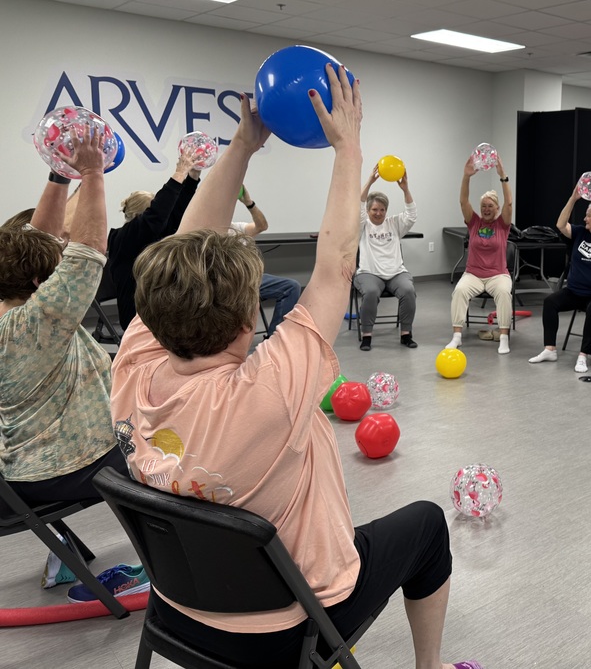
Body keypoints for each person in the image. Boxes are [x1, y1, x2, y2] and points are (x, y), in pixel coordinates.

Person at [111, 70, 479, 669]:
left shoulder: (133, 362)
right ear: (244, 322)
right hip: (288, 627)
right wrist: (349, 147)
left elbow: (184, 242)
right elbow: (336, 269)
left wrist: (243, 146)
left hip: (178, 610)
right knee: (429, 526)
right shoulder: (269, 392)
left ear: (150, 308)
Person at [0, 133, 130, 582]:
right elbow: (88, 254)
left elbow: (35, 240)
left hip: (21, 471)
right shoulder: (35, 323)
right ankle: (184, 564)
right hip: (65, 468)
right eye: (50, 270)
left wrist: (60, 172)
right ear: (40, 281)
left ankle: (64, 553)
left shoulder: (13, 308)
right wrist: (91, 174)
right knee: (172, 444)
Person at [528, 185, 591, 375]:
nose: (584, 219)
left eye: (588, 215)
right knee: (550, 302)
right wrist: (573, 199)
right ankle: (550, 349)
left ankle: (583, 354)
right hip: (577, 291)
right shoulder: (580, 233)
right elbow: (560, 224)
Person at [107, 147, 201, 329]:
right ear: (138, 215)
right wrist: (179, 173)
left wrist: (192, 177)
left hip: (161, 314)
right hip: (138, 321)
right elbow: (157, 216)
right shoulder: (122, 238)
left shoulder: (151, 233)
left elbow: (175, 213)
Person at [446, 152, 513, 355]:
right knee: (459, 291)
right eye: (483, 206)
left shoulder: (503, 224)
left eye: (490, 206)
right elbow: (463, 201)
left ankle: (503, 338)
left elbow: (509, 204)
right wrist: (466, 176)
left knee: (503, 292)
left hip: (498, 274)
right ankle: (456, 337)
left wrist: (503, 176)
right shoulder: (474, 222)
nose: (485, 209)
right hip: (473, 274)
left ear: (496, 208)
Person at [356, 164, 418, 350]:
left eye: (382, 210)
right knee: (371, 293)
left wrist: (405, 189)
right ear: (368, 211)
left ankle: (406, 334)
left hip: (396, 273)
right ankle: (367, 335)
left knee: (408, 291)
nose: (378, 213)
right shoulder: (363, 225)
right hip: (369, 273)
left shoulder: (394, 224)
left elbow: (412, 215)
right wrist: (369, 181)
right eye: (374, 209)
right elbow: (357, 204)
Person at [229, 185, 302, 339]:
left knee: (291, 286)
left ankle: (274, 339)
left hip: (250, 280)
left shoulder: (236, 228)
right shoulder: (206, 231)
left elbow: (262, 226)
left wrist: (249, 203)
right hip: (226, 284)